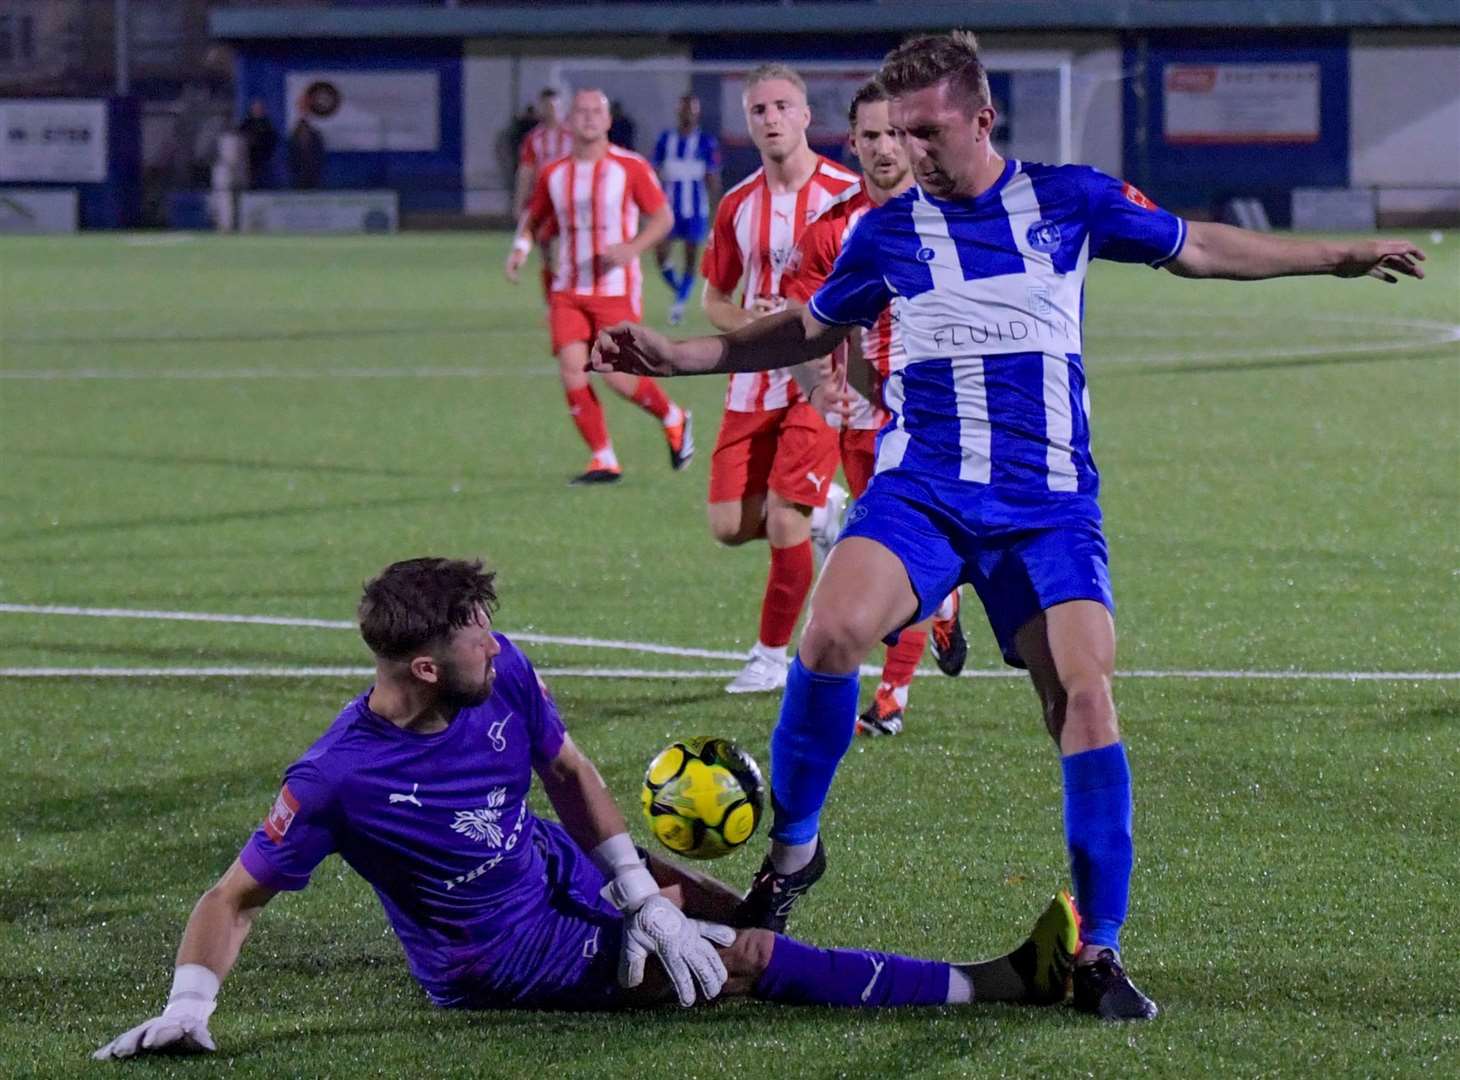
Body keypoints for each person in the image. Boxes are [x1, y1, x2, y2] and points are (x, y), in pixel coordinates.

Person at [589, 31, 1426, 1022]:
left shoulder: (1066, 200)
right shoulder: (888, 233)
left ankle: (1096, 951)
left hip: (1047, 508)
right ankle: (794, 848)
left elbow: (1195, 244)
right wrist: (681, 356)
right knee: (829, 635)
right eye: (894, 134)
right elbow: (809, 327)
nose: (904, 153)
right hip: (926, 491)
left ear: (981, 120)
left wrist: (1339, 255)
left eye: (926, 133)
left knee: (1081, 697)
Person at [92, 557, 1082, 1060]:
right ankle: (999, 983)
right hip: (499, 958)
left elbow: (562, 769)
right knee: (746, 961)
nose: (502, 644)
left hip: (548, 864)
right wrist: (189, 1005)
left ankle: (713, 927)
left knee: (725, 916)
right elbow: (232, 898)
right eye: (478, 639)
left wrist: (636, 887)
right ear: (425, 668)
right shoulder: (337, 779)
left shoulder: (497, 669)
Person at [782, 79, 963, 738]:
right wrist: (815, 381)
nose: (885, 147)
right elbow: (800, 320)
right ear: (851, 142)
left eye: (897, 133)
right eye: (872, 135)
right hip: (867, 415)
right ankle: (940, 605)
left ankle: (892, 695)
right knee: (895, 561)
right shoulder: (834, 229)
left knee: (905, 555)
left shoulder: (955, 214)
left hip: (948, 420)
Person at [699, 63, 859, 695]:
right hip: (752, 379)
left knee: (784, 515)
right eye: (758, 110)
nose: (770, 119)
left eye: (781, 107)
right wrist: (750, 322)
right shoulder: (738, 205)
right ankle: (830, 514)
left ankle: (770, 657)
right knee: (729, 523)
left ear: (804, 116)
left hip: (821, 376)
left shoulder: (847, 196)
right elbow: (715, 298)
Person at [506, 89, 692, 485]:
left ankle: (673, 417)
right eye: (582, 112)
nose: (589, 118)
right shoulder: (554, 173)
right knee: (572, 369)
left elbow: (662, 218)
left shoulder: (630, 167)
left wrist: (633, 248)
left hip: (615, 287)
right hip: (568, 287)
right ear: (570, 121)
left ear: (608, 121)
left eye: (597, 112)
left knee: (615, 375)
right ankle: (603, 458)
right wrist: (519, 250)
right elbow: (534, 216)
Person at [652, 94, 722, 326]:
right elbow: (653, 172)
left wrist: (716, 212)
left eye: (692, 110)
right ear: (678, 111)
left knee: (691, 262)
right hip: (669, 210)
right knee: (661, 256)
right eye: (684, 109)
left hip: (696, 210)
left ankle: (679, 305)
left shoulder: (706, 142)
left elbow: (713, 178)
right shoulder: (665, 140)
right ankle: (681, 291)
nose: (688, 114)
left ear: (697, 113)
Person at [238, 99, 277, 190]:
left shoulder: (267, 125)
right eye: (256, 109)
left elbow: (272, 139)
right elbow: (240, 138)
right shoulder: (246, 124)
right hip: (248, 159)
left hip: (263, 159)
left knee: (262, 181)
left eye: (260, 109)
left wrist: (266, 152)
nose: (258, 111)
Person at [287, 115, 325, 190]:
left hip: (312, 171)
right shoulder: (294, 139)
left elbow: (319, 153)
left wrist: (316, 165)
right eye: (302, 128)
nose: (303, 130)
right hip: (298, 172)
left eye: (305, 127)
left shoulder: (315, 138)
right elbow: (291, 156)